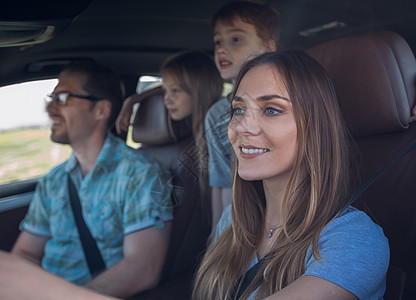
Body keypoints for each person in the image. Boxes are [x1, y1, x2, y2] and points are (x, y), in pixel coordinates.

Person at [192, 50, 390, 299]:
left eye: (271, 110)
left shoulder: (355, 239)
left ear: (315, 125)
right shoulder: (231, 220)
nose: (241, 126)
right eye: (239, 110)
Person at [9, 61, 173, 298]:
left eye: (63, 98)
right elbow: (25, 253)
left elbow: (142, 269)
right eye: (51, 98)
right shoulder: (53, 180)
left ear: (101, 110)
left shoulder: (141, 175)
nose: (50, 109)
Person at [205, 0, 280, 230]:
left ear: (268, 48)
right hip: (241, 220)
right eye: (218, 41)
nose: (222, 49)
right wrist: (220, 239)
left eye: (235, 39)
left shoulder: (287, 101)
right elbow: (221, 184)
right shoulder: (217, 114)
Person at [116, 50, 224, 209]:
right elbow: (176, 86)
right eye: (165, 91)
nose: (166, 99)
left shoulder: (218, 133)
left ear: (199, 90)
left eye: (175, 91)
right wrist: (134, 99)